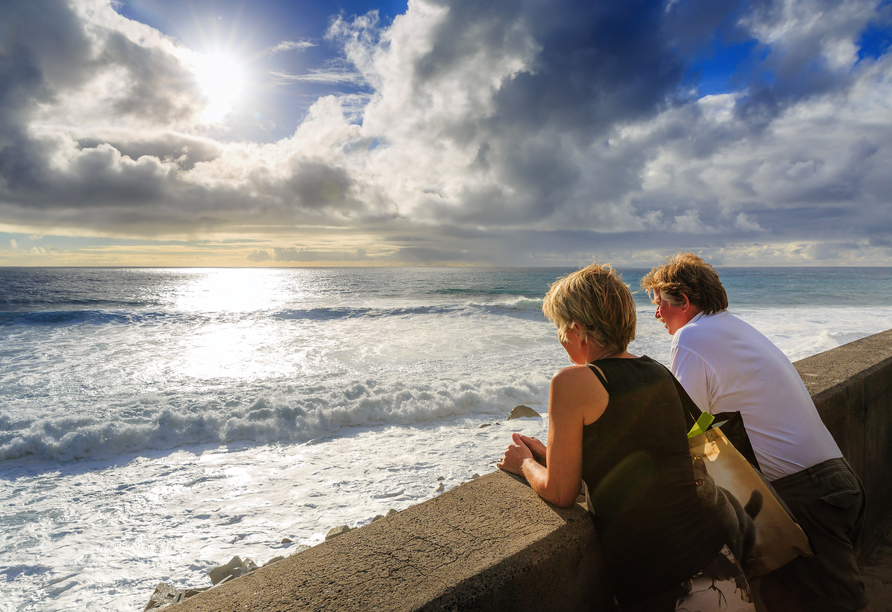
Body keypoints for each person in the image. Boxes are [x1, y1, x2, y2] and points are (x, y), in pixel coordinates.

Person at [497, 263, 755, 612]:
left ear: (579, 329)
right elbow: (637, 456)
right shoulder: (657, 372)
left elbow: (561, 493)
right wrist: (554, 456)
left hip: (670, 590)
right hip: (721, 569)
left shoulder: (573, 382)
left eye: (560, 327)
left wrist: (524, 463)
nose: (560, 338)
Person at [640, 252, 870, 612]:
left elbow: (681, 428)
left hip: (804, 493)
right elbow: (706, 417)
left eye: (658, 304)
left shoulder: (691, 337)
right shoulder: (734, 328)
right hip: (832, 481)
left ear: (683, 300)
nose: (655, 315)